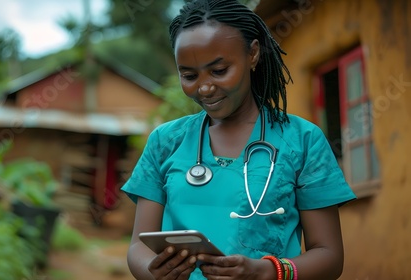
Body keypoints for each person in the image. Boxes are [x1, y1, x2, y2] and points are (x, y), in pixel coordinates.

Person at [121, 0, 357, 279]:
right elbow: (137, 246)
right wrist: (155, 273)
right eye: (189, 75)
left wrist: (268, 272)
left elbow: (329, 256)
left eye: (219, 71)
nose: (205, 87)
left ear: (253, 54)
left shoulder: (303, 141)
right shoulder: (165, 141)